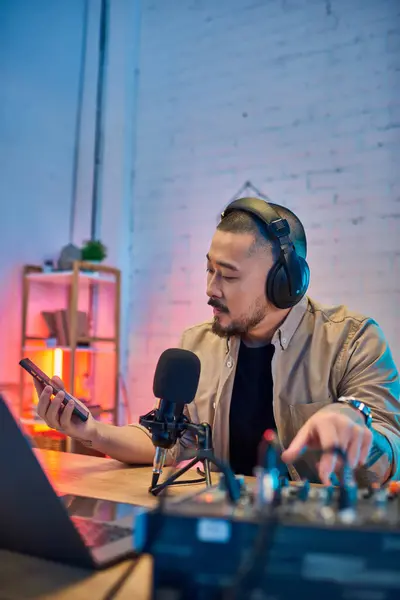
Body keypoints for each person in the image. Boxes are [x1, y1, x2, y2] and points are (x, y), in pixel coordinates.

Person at [34, 197, 400, 485]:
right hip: (221, 525)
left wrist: (356, 425)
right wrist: (92, 431)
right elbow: (170, 440)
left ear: (285, 283)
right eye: (210, 269)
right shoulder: (197, 345)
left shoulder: (353, 340)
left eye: (227, 275)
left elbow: (392, 451)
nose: (210, 288)